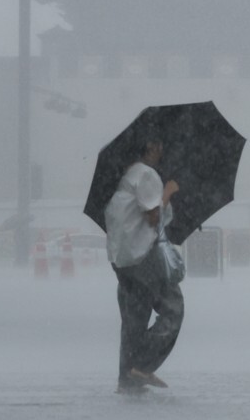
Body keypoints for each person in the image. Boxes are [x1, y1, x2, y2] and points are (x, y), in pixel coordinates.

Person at [105, 138, 182, 394]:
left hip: (123, 261)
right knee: (172, 311)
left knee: (133, 321)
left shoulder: (124, 178)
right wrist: (168, 193)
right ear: (150, 146)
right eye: (159, 145)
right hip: (144, 259)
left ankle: (127, 379)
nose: (162, 150)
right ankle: (141, 365)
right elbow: (153, 217)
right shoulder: (147, 174)